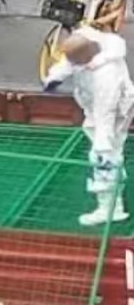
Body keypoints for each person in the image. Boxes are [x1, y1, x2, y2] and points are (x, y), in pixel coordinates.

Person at [43, 28, 134, 226]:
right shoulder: (88, 41)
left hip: (114, 111)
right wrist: (54, 77)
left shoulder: (106, 77)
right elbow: (68, 63)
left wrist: (103, 143)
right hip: (95, 106)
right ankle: (113, 186)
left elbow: (106, 113)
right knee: (106, 150)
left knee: (105, 155)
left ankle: (111, 208)